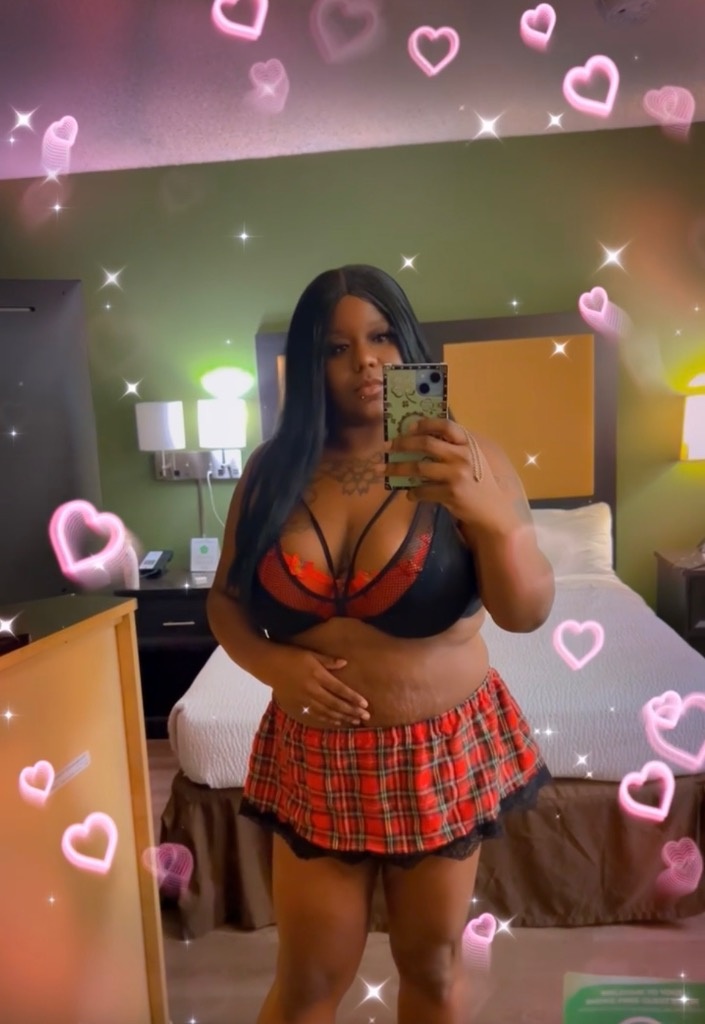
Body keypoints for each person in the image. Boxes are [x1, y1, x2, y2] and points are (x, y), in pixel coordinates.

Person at [207, 265, 555, 1024]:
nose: (364, 361)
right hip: (315, 755)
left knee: (430, 968)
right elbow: (226, 602)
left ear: (410, 346)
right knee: (307, 981)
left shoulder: (470, 457)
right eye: (336, 347)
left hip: (438, 754)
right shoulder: (269, 473)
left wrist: (492, 519)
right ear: (310, 363)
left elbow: (526, 613)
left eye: (382, 337)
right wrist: (273, 665)